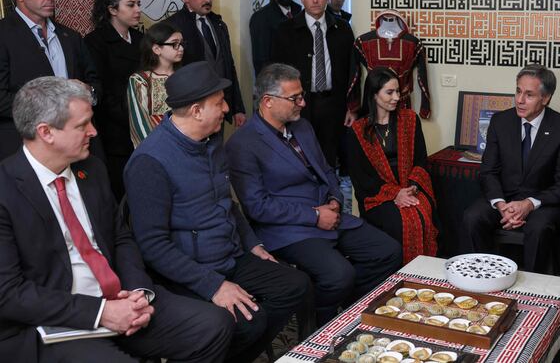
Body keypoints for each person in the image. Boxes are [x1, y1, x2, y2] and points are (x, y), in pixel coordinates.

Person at [0, 76, 233, 362]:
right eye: (82, 125)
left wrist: (138, 291)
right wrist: (101, 312)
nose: (94, 132)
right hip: (57, 321)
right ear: (46, 132)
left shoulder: (92, 170)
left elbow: (121, 237)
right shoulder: (6, 189)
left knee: (213, 325)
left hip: (120, 299)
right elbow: (9, 293)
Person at [124, 61, 310, 362]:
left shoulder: (211, 140)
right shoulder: (150, 162)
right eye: (219, 103)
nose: (226, 109)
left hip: (229, 254)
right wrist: (213, 286)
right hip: (190, 269)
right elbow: (153, 246)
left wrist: (253, 243)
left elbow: (227, 203)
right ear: (197, 111)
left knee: (294, 285)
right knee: (250, 322)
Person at [226, 63, 402, 325]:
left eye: (302, 95)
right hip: (289, 229)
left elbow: (326, 170)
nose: (303, 103)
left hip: (330, 214)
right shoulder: (243, 143)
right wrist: (313, 215)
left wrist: (334, 199)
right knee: (339, 275)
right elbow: (257, 206)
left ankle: (347, 308)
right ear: (268, 101)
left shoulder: (303, 128)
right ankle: (317, 327)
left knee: (388, 251)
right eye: (294, 98)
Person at [462, 64, 560, 272]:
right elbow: (488, 171)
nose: (519, 100)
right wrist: (500, 205)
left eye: (529, 94)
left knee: (539, 228)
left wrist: (529, 204)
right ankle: (482, 275)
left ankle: (534, 289)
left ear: (546, 98)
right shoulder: (500, 121)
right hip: (504, 198)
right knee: (473, 217)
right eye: (518, 91)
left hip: (541, 201)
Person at [0, 0, 101, 160]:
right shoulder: (3, 36)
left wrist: (90, 92)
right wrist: (54, 108)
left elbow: (95, 82)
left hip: (78, 148)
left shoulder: (70, 36)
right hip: (25, 149)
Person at [346, 67, 437, 264]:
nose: (396, 97)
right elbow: (362, 178)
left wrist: (412, 186)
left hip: (411, 187)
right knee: (400, 221)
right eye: (390, 92)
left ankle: (423, 274)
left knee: (422, 213)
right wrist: (395, 194)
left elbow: (421, 160)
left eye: (398, 91)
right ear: (374, 93)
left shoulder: (410, 120)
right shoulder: (357, 131)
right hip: (377, 196)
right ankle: (396, 277)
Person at [271, 0, 356, 168]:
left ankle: (330, 196)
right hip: (300, 104)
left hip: (334, 103)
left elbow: (352, 70)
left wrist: (352, 105)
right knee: (301, 157)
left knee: (329, 158)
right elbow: (276, 72)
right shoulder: (285, 31)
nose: (315, 0)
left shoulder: (342, 28)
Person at [84, 0, 144, 201]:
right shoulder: (95, 42)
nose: (138, 10)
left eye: (138, 4)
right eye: (131, 5)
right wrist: (129, 117)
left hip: (144, 126)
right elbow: (101, 89)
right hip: (114, 132)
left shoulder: (140, 39)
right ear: (112, 9)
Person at [165, 0, 246, 128]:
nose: (208, 0)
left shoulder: (219, 24)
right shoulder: (173, 26)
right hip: (192, 110)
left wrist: (237, 108)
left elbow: (229, 66)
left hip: (219, 107)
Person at [126, 21, 183, 147]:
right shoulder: (140, 80)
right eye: (175, 44)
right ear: (157, 49)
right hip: (157, 149)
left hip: (188, 145)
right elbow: (139, 124)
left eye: (181, 44)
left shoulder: (185, 76)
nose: (181, 48)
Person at [249, 0, 302, 76]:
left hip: (300, 78)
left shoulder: (299, 13)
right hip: (278, 81)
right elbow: (261, 59)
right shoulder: (261, 17)